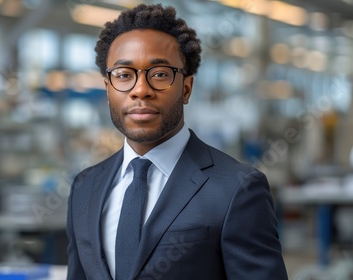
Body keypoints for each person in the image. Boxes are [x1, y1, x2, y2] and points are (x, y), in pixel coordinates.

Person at [66, 3, 288, 280]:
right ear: (108, 89)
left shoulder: (237, 188)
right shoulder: (85, 187)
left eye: (159, 74)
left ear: (186, 88)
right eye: (124, 75)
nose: (140, 90)